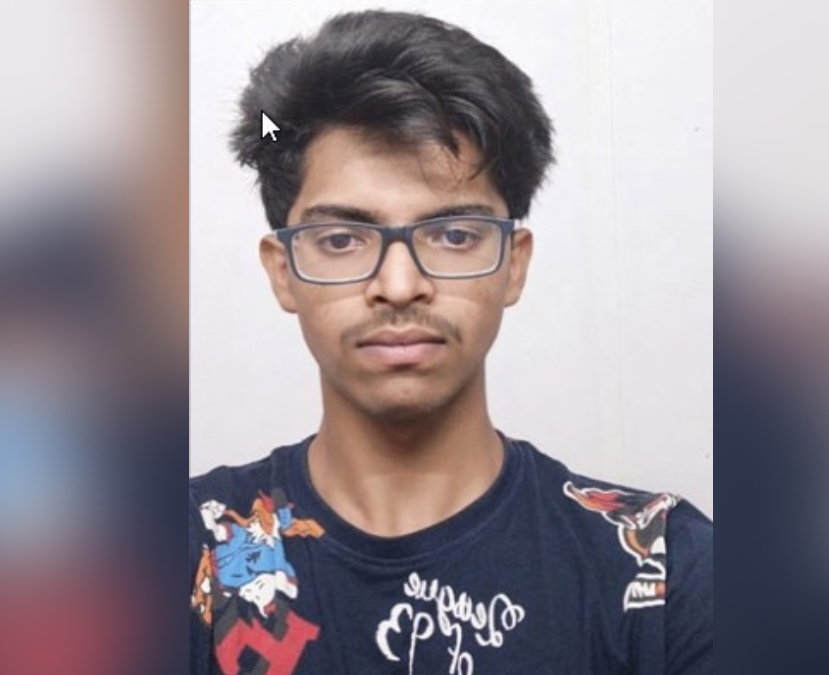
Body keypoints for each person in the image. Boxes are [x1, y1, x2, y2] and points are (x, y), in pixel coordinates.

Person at [189, 10, 713, 675]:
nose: (399, 285)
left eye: (454, 235)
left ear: (514, 263)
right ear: (282, 270)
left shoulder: (664, 572)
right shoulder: (183, 550)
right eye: (342, 239)